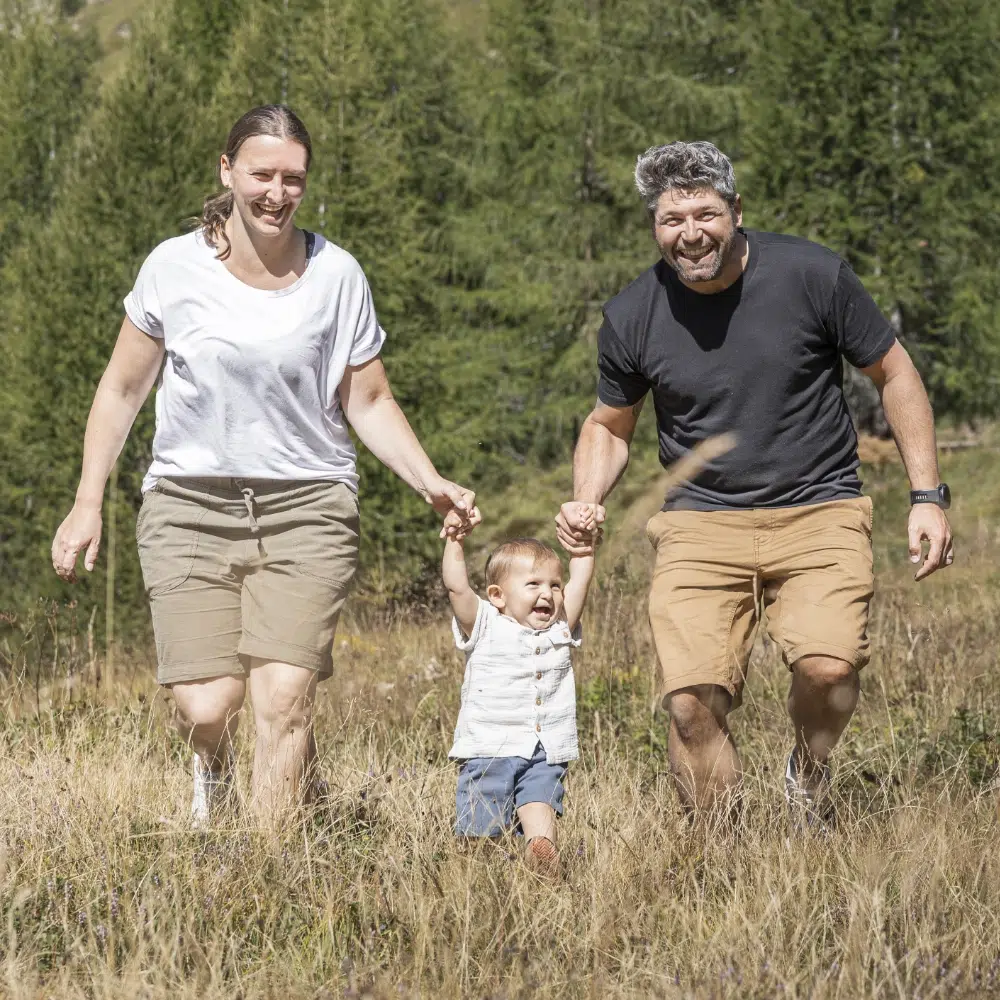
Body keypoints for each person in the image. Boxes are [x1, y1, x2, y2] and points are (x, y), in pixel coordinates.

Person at [50, 105, 477, 828]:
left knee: (283, 697)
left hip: (309, 502)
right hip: (188, 501)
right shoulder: (173, 267)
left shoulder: (336, 274)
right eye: (262, 175)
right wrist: (87, 500)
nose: (277, 193)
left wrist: (428, 479)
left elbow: (367, 398)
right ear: (228, 172)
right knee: (206, 705)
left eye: (293, 178)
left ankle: (270, 873)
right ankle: (213, 765)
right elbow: (122, 389)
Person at [555, 141, 954, 827]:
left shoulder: (811, 274)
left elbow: (895, 373)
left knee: (830, 670)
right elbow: (609, 425)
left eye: (705, 214)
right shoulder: (633, 314)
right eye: (670, 220)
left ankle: (808, 771)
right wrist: (588, 499)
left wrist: (926, 495)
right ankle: (727, 853)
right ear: (655, 226)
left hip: (820, 509)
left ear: (737, 210)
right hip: (698, 523)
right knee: (690, 705)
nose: (690, 235)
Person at [443, 508, 597, 875]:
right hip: (489, 749)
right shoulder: (483, 622)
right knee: (480, 830)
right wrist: (454, 542)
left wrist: (584, 552)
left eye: (554, 585)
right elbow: (456, 587)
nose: (548, 593)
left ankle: (540, 849)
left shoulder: (560, 629)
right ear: (497, 595)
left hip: (546, 749)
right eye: (534, 585)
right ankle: (477, 879)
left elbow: (580, 584)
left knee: (540, 801)